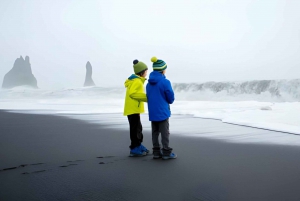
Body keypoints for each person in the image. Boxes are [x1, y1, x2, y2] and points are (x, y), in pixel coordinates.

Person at [146, 57, 177, 160]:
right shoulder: (165, 82)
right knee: (165, 132)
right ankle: (166, 152)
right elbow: (170, 98)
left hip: (153, 111)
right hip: (162, 111)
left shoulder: (148, 83)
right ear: (162, 70)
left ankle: (156, 152)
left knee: (155, 132)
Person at [124, 59, 149, 157]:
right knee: (135, 129)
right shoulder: (137, 81)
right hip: (133, 109)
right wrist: (147, 98)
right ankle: (134, 148)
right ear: (142, 72)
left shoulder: (134, 80)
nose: (147, 73)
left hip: (132, 108)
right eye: (146, 71)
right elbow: (133, 94)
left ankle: (138, 145)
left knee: (138, 128)